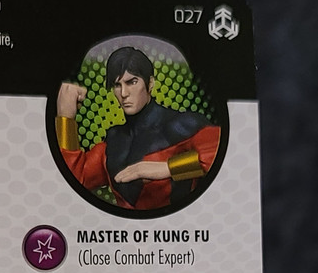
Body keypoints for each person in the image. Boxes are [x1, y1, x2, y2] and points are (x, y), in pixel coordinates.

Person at [55, 46, 221, 210]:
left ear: (150, 83)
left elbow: (220, 156)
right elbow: (76, 178)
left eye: (132, 82)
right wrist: (66, 118)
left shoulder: (183, 124)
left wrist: (168, 168)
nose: (124, 93)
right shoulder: (114, 138)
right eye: (117, 85)